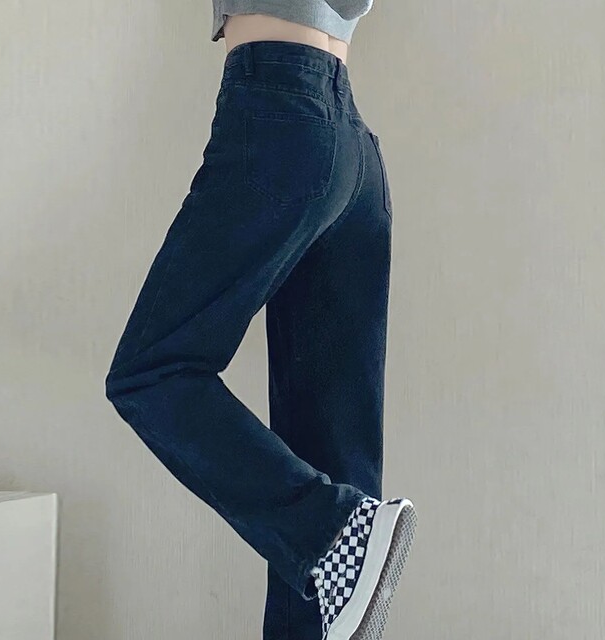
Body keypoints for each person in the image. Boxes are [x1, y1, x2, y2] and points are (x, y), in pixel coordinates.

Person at [104, 2, 417, 638]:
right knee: (327, 456)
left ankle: (329, 530)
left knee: (152, 371)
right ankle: (338, 539)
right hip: (350, 149)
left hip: (279, 112)